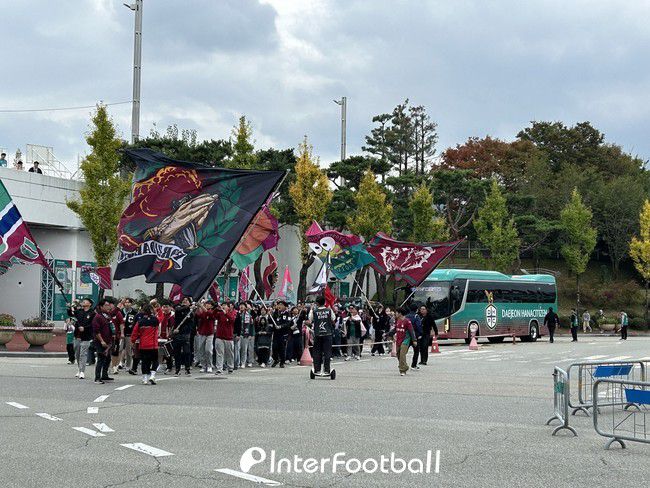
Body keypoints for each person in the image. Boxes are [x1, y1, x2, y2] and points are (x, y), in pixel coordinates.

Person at [131, 304, 160, 385]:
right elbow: (158, 330)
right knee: (155, 360)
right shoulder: (155, 320)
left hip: (143, 345)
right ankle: (152, 375)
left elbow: (134, 333)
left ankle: (145, 378)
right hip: (153, 345)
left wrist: (133, 341)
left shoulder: (140, 322)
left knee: (144, 362)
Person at [68, 298, 95, 379]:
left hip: (86, 336)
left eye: (86, 301)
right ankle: (79, 369)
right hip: (77, 336)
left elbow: (92, 324)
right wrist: (69, 308)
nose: (83, 302)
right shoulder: (79, 311)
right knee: (77, 354)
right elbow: (71, 314)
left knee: (83, 354)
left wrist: (85, 328)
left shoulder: (92, 313)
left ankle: (82, 371)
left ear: (90, 304)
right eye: (83, 301)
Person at [92, 297, 117, 384]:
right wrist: (102, 341)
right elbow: (96, 331)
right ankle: (97, 377)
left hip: (109, 340)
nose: (108, 307)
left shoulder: (107, 316)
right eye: (106, 305)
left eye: (109, 305)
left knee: (108, 358)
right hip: (101, 341)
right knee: (101, 358)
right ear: (101, 307)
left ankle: (104, 375)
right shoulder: (98, 317)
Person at [309, 295, 335, 375]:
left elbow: (310, 319)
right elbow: (333, 318)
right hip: (328, 334)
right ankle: (327, 369)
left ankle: (317, 369)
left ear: (317, 303)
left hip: (318, 334)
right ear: (324, 302)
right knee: (327, 352)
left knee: (317, 352)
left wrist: (311, 309)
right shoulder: (329, 310)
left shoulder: (314, 311)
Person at [387, 308, 417, 376]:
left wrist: (414, 340)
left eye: (396, 312)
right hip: (398, 340)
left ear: (400, 313)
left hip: (405, 340)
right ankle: (405, 366)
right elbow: (395, 329)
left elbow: (411, 331)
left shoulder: (407, 321)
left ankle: (402, 370)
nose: (395, 314)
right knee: (398, 354)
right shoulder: (398, 320)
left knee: (402, 355)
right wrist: (388, 334)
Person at [171, 297, 193, 375]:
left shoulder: (190, 312)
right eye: (183, 300)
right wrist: (187, 306)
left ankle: (187, 368)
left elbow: (190, 323)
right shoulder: (178, 308)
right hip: (177, 333)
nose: (184, 301)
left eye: (187, 300)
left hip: (186, 334)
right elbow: (177, 310)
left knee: (187, 352)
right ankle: (177, 369)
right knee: (177, 352)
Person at [195, 300, 217, 373]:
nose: (207, 305)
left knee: (208, 350)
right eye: (206, 304)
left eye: (209, 304)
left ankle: (209, 365)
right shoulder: (203, 312)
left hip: (210, 334)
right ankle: (203, 366)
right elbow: (198, 315)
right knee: (201, 350)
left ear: (212, 306)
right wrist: (198, 306)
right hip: (202, 333)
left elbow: (209, 313)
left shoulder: (213, 312)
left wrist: (201, 305)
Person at [215, 302, 236, 373]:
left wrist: (225, 313)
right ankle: (219, 368)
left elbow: (232, 320)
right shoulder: (219, 314)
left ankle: (230, 367)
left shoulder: (232, 313)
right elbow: (213, 315)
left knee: (229, 353)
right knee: (219, 353)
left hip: (228, 337)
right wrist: (216, 309)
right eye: (222, 305)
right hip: (219, 336)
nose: (223, 306)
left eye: (225, 305)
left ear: (228, 307)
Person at [271, 301, 291, 368]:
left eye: (281, 305)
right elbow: (271, 320)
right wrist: (270, 314)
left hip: (283, 334)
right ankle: (276, 359)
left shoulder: (287, 313)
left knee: (281, 348)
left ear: (285, 306)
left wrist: (281, 326)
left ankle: (282, 362)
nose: (279, 306)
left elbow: (288, 323)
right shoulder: (276, 313)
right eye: (279, 304)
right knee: (274, 347)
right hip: (276, 333)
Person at [120, 298, 137, 371]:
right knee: (119, 349)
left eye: (128, 302)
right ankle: (119, 363)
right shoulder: (120, 311)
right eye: (126, 302)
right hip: (121, 333)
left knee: (128, 350)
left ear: (131, 304)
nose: (127, 304)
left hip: (129, 333)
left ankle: (128, 365)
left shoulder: (134, 312)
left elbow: (136, 323)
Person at [237, 302, 255, 368]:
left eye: (243, 305)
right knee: (237, 349)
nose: (241, 306)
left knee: (244, 349)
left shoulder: (248, 315)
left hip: (245, 334)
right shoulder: (237, 314)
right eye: (240, 305)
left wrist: (250, 334)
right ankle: (237, 362)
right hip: (238, 334)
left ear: (245, 307)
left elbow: (251, 325)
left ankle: (243, 363)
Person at [407, 305, 423, 369]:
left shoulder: (406, 316)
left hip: (407, 336)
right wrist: (420, 334)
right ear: (416, 310)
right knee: (416, 351)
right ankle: (414, 365)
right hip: (415, 336)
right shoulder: (416, 316)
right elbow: (418, 326)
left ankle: (402, 363)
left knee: (404, 350)